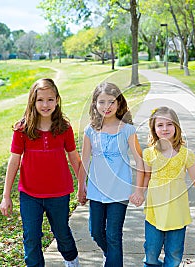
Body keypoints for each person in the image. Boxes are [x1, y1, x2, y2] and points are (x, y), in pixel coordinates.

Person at [0, 78, 81, 267]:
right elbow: (14, 161)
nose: (45, 105)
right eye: (40, 100)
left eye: (50, 99)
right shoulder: (22, 129)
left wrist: (84, 186)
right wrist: (6, 195)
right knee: (31, 237)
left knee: (62, 232)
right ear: (32, 102)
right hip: (29, 194)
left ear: (57, 100)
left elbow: (74, 158)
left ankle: (72, 260)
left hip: (59, 193)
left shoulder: (64, 128)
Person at [77, 82, 144, 267]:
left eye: (111, 102)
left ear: (119, 103)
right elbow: (85, 161)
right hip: (97, 190)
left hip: (119, 191)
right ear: (95, 104)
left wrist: (138, 190)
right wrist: (81, 187)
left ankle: (113, 260)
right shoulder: (90, 131)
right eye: (102, 102)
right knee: (96, 232)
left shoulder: (127, 130)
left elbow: (139, 160)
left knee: (114, 234)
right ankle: (110, 255)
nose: (106, 107)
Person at [135, 106, 195, 267]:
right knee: (151, 253)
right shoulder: (149, 153)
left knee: (174, 254)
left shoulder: (185, 154)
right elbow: (146, 176)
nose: (165, 128)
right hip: (155, 210)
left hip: (177, 210)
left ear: (177, 127)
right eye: (160, 125)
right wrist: (139, 192)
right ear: (154, 129)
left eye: (169, 124)